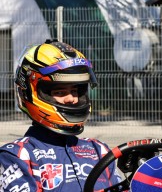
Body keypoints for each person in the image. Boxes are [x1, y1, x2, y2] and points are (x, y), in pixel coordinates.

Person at [0, 39, 121, 191]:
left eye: (75, 91)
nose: (71, 99)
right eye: (60, 92)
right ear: (32, 93)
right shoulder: (19, 155)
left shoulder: (98, 150)